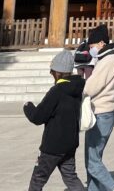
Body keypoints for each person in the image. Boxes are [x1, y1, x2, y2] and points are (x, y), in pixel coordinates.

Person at [23, 49, 85, 191]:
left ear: (58, 72)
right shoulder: (78, 87)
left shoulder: (57, 91)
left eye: (52, 71)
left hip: (52, 146)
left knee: (38, 180)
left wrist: (28, 106)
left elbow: (38, 117)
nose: (52, 74)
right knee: (70, 177)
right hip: (70, 143)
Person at [83, 24, 114, 191]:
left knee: (92, 162)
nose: (91, 50)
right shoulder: (113, 58)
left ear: (100, 43)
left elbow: (91, 87)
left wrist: (80, 87)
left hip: (100, 113)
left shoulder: (107, 61)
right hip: (107, 112)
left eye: (92, 46)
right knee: (93, 159)